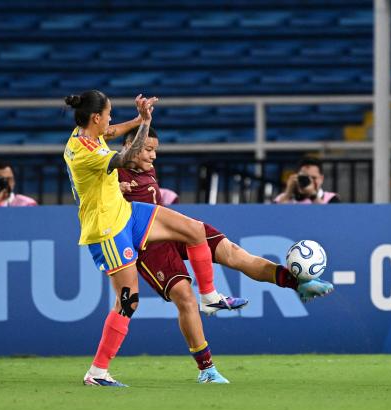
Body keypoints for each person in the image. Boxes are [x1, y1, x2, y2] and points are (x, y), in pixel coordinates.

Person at [118, 126, 334, 383]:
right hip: (148, 244)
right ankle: (206, 370)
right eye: (148, 150)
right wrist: (114, 190)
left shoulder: (145, 166)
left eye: (155, 150)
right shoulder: (112, 173)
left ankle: (296, 282)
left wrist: (143, 120)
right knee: (185, 297)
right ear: (129, 148)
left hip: (173, 228)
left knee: (233, 253)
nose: (153, 156)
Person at [62, 90, 249, 387]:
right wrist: (145, 124)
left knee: (194, 230)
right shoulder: (86, 153)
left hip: (126, 212)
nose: (111, 119)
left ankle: (210, 296)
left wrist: (138, 118)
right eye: (108, 113)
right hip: (108, 229)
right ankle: (97, 372)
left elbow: (111, 132)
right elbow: (126, 156)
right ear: (95, 117)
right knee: (128, 301)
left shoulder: (84, 134)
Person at [273, 157, 340, 204]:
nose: (310, 181)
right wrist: (288, 193)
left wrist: (313, 196)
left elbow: (331, 219)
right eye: (305, 177)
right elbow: (275, 219)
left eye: (313, 178)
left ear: (321, 179)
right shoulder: (283, 198)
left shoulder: (331, 199)